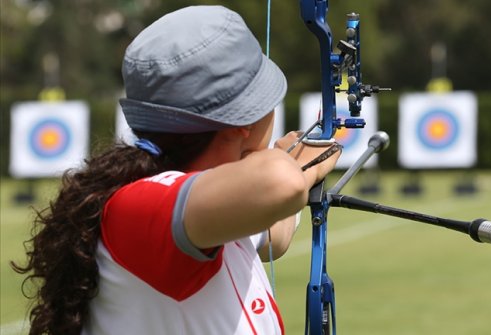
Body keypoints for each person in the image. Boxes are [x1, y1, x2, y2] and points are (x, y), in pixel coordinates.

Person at [12, 5, 341, 335]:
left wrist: (299, 160)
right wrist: (296, 168)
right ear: (245, 123)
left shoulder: (211, 203)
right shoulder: (137, 207)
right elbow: (280, 184)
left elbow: (274, 236)